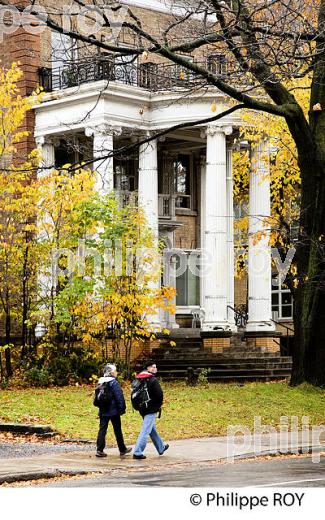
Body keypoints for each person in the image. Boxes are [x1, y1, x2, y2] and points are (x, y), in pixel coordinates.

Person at [133, 359, 169, 460]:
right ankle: (137, 452)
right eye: (153, 366)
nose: (155, 368)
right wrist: (157, 405)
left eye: (155, 366)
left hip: (142, 408)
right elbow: (159, 395)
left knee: (151, 428)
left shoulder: (139, 378)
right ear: (148, 368)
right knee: (146, 430)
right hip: (151, 408)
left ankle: (161, 447)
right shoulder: (152, 379)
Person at [96, 363, 131, 458]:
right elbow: (119, 396)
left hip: (103, 409)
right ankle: (122, 449)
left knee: (102, 429)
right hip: (113, 410)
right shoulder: (113, 382)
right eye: (115, 371)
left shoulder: (100, 381)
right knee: (117, 430)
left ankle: (99, 449)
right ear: (111, 372)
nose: (116, 372)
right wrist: (122, 408)